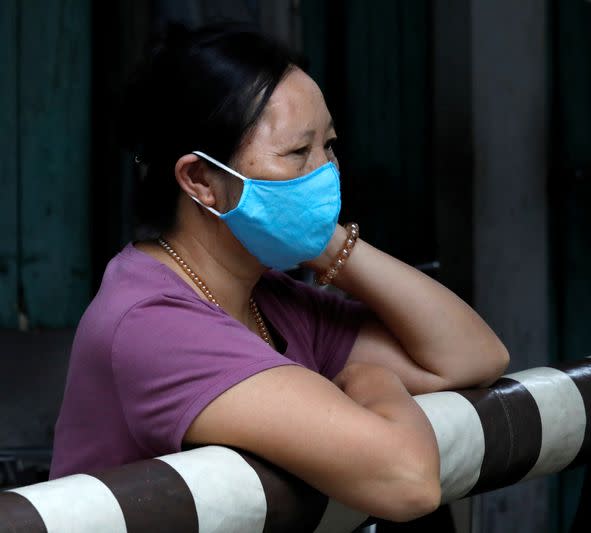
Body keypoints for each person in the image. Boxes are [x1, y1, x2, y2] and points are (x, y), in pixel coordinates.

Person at [50, 24, 509, 522]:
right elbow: (407, 480)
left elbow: (474, 356)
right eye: (297, 154)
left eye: (329, 146)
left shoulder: (266, 296)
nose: (326, 172)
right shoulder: (153, 323)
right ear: (202, 181)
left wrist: (329, 242)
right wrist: (369, 379)